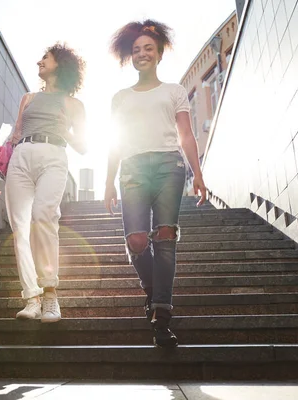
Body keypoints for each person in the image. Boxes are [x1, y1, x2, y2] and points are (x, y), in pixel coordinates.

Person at [105, 20, 207, 347]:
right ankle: (153, 290)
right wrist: (108, 181)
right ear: (130, 57)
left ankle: (161, 315)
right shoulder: (120, 97)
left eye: (148, 48)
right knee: (136, 240)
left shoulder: (174, 91)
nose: (142, 54)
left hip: (168, 165)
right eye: (136, 50)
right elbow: (114, 142)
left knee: (165, 236)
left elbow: (186, 135)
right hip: (132, 168)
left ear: (159, 53)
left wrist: (199, 174)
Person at [0, 43, 87, 323]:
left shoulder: (73, 104)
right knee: (20, 227)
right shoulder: (28, 98)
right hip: (21, 157)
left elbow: (84, 146)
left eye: (46, 58)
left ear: (61, 65)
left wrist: (65, 129)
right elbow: (16, 133)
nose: (39, 62)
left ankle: (50, 293)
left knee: (44, 216)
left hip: (54, 156)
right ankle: (31, 297)